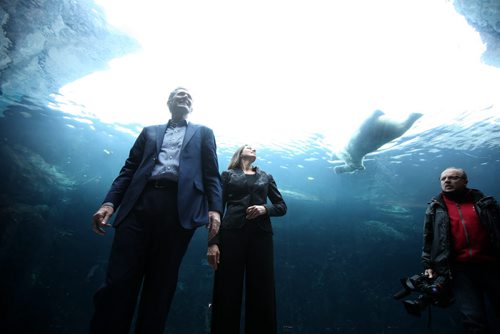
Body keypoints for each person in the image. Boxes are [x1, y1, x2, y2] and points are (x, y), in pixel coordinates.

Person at [90, 87, 223, 334]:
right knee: (118, 281)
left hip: (179, 210)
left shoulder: (204, 133)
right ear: (168, 102)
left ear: (192, 107)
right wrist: (109, 203)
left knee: (161, 285)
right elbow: (128, 170)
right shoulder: (149, 131)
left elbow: (211, 174)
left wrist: (215, 209)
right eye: (179, 94)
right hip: (138, 205)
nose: (184, 97)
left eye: (189, 96)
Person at [207, 145, 287, 334]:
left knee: (263, 288)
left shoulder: (266, 176)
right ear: (239, 152)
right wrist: (213, 242)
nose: (254, 149)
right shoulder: (226, 175)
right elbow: (216, 209)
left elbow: (281, 206)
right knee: (226, 288)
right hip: (231, 233)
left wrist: (264, 209)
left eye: (255, 148)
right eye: (249, 147)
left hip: (261, 235)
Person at [421, 167, 500, 333]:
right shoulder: (435, 208)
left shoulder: (485, 203)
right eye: (443, 179)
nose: (447, 181)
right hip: (459, 271)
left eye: (453, 177)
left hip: (493, 266)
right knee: (473, 319)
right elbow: (428, 239)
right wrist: (427, 265)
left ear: (465, 181)